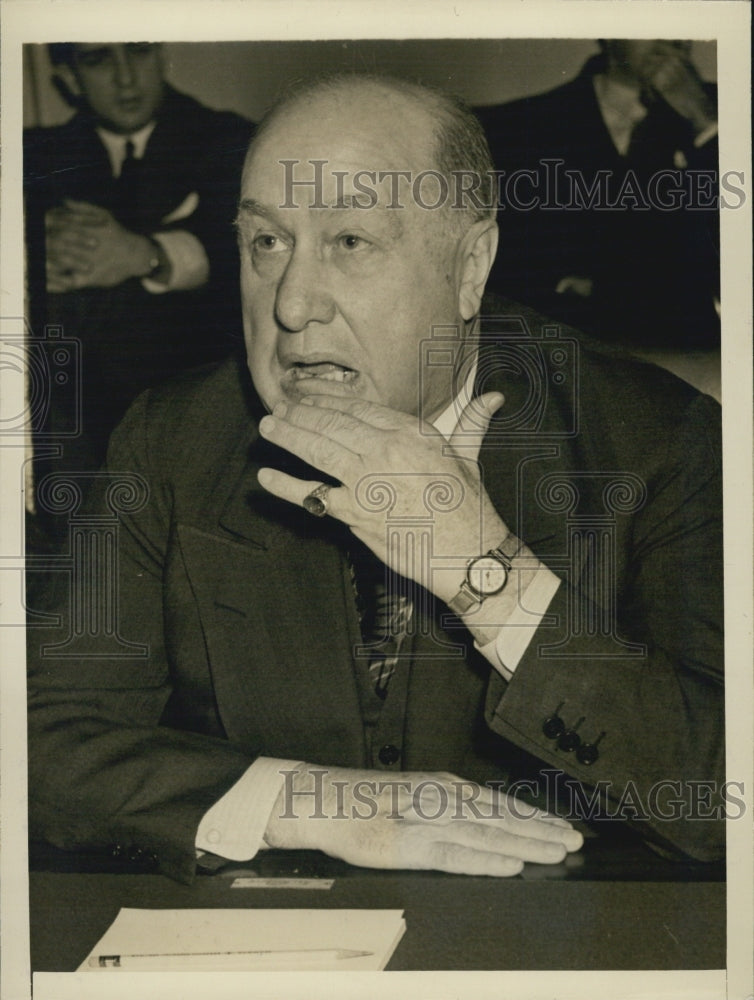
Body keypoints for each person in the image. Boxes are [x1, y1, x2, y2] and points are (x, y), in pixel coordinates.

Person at [27, 75, 724, 886]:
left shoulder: (656, 443)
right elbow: (39, 737)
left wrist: (487, 576)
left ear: (470, 266)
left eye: (350, 242)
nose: (292, 306)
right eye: (267, 243)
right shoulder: (171, 440)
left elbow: (722, 791)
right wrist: (313, 801)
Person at [24, 42, 253, 483]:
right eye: (98, 59)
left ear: (162, 56)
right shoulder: (34, 156)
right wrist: (30, 244)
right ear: (69, 79)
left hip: (200, 418)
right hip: (79, 438)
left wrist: (145, 255)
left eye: (138, 51)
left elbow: (244, 257)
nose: (126, 77)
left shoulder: (232, 140)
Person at [476, 40, 720, 349]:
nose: (672, 33)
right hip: (568, 351)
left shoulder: (728, 110)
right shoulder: (518, 125)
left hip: (694, 353)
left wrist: (704, 121)